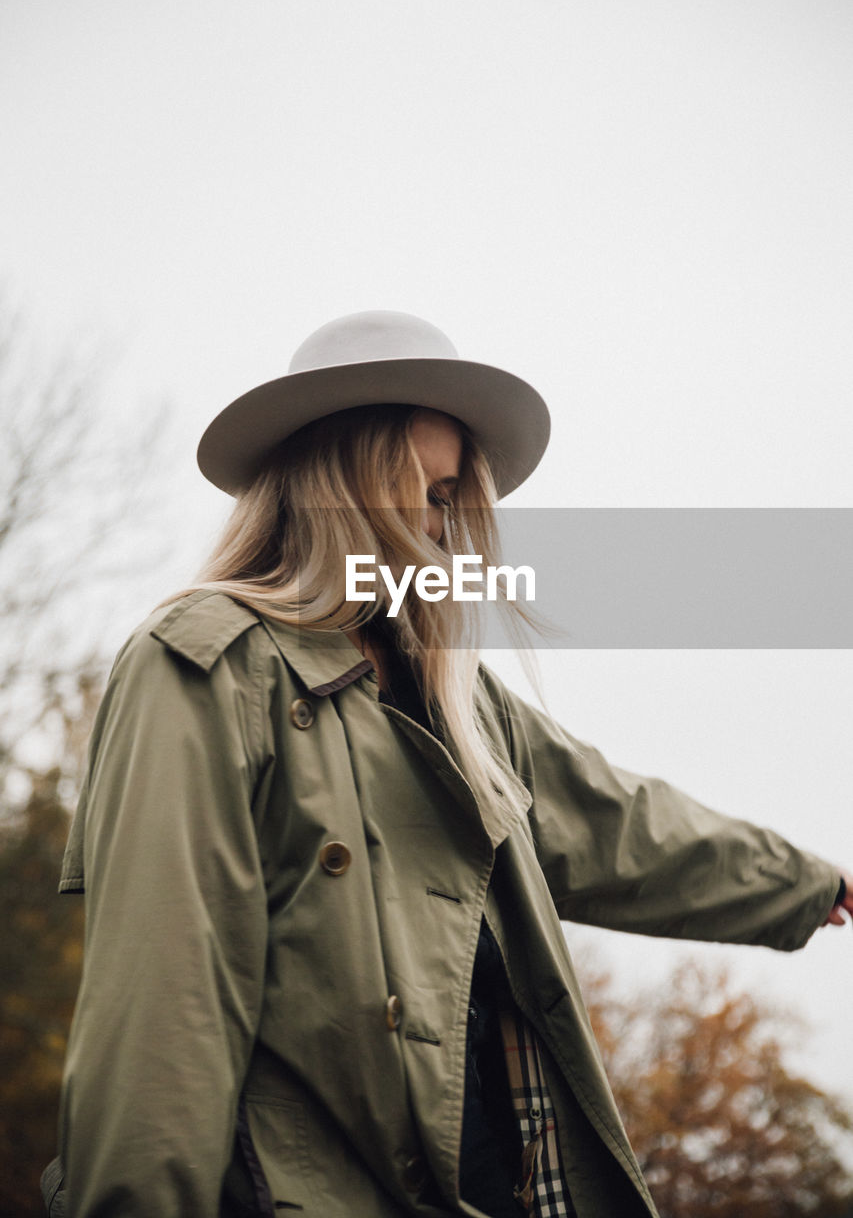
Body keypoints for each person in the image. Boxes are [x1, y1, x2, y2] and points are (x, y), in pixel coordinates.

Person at [46, 311, 851, 1218]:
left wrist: (807, 883)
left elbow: (612, 820)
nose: (443, 530)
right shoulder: (206, 664)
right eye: (423, 494)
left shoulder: (459, 701)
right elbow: (164, 1008)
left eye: (452, 498)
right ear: (339, 489)